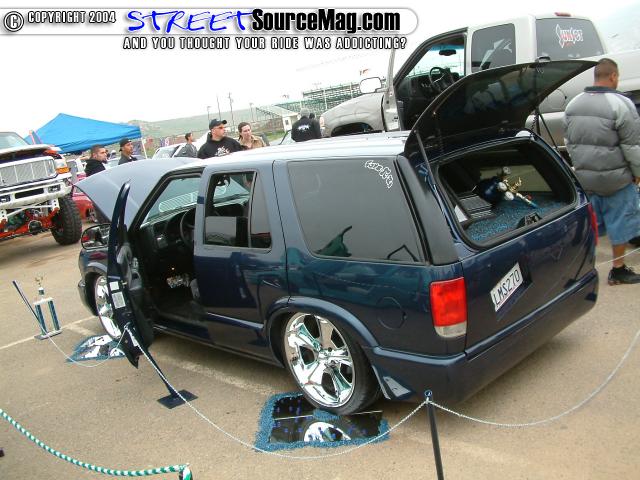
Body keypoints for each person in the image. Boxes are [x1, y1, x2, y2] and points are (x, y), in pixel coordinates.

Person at [564, 58, 640, 285]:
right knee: (621, 222)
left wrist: (581, 167)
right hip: (616, 180)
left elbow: (568, 142)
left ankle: (583, 271)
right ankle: (618, 270)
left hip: (586, 179)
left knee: (591, 226)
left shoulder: (573, 104)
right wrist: (638, 172)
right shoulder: (621, 104)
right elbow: (632, 146)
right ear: (613, 76)